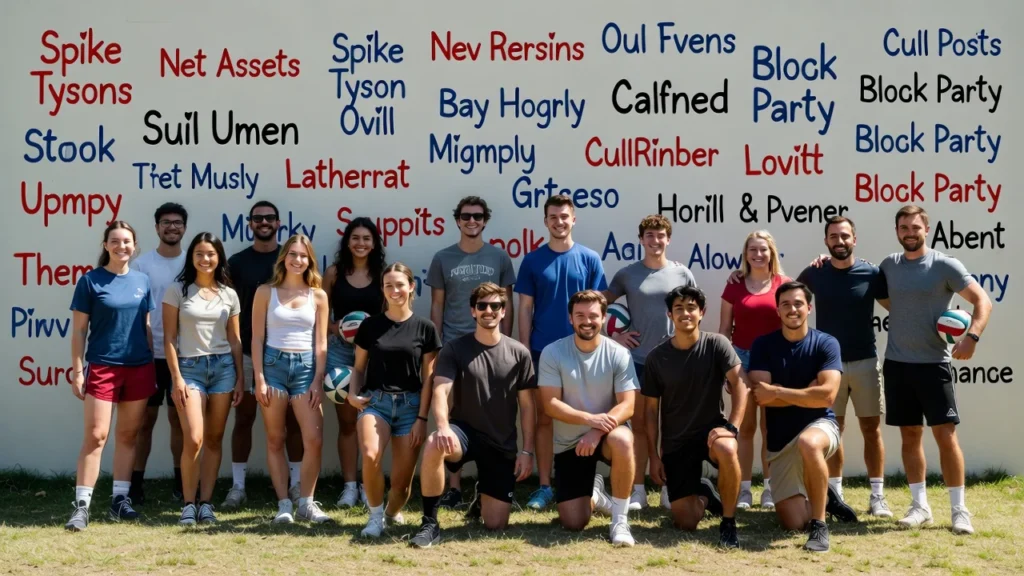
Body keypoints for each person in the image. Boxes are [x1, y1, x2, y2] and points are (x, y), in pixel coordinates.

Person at [879, 205, 991, 534]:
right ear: (897, 231)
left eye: (915, 227)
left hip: (934, 365)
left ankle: (959, 511)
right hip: (897, 364)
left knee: (945, 436)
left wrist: (972, 337)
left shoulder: (944, 264)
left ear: (926, 229)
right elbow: (887, 299)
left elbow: (982, 301)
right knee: (910, 436)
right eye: (903, 228)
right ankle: (920, 507)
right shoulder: (889, 265)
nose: (909, 233)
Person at [410, 282, 536, 548]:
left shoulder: (520, 353)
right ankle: (430, 523)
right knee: (433, 443)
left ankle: (482, 497)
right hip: (464, 433)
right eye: (482, 306)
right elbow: (440, 391)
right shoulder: (455, 349)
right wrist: (442, 426)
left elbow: (527, 407)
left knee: (495, 525)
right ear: (473, 311)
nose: (489, 311)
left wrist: (527, 451)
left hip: (501, 442)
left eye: (495, 306)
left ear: (504, 311)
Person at [748, 281, 858, 553]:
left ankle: (820, 526)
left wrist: (778, 391)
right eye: (785, 304)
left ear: (809, 308)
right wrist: (808, 392)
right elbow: (761, 396)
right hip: (781, 441)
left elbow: (827, 397)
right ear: (777, 311)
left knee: (809, 443)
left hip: (821, 425)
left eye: (798, 304)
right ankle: (826, 498)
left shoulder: (826, 343)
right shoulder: (763, 345)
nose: (792, 309)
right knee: (794, 523)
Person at [796, 216, 892, 517]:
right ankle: (835, 496)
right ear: (826, 241)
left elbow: (898, 307)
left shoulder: (872, 273)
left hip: (866, 362)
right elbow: (788, 296)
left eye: (845, 236)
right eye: (834, 236)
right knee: (832, 430)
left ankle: (877, 496)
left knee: (871, 430)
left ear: (854, 239)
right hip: (828, 367)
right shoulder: (814, 273)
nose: (840, 241)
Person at [516, 194, 607, 511]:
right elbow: (524, 308)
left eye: (564, 216)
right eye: (553, 217)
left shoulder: (590, 258)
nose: (559, 222)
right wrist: (525, 351)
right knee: (545, 419)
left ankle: (585, 483)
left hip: (583, 353)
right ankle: (544, 485)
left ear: (573, 219)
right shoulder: (532, 261)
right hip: (543, 352)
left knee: (584, 417)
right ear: (545, 221)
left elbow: (599, 309)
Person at [426, 196, 516, 509]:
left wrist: (506, 343)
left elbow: (508, 304)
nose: (472, 221)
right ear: (458, 220)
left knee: (491, 413)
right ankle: (454, 487)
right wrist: (437, 346)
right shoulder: (442, 258)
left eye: (477, 216)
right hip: (454, 345)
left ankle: (486, 484)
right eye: (466, 216)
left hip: (493, 349)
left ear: (485, 220)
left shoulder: (500, 257)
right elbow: (437, 305)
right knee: (452, 413)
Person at [66, 221, 156, 531]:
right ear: (106, 245)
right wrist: (78, 370)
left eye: (127, 241)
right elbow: (79, 331)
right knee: (96, 436)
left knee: (128, 436)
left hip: (139, 367)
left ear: (135, 245)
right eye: (115, 241)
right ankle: (81, 506)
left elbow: (146, 326)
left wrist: (151, 361)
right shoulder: (90, 281)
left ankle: (120, 500)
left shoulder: (143, 281)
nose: (121, 246)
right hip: (103, 367)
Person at [604, 214, 696, 510]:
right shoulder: (627, 274)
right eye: (649, 236)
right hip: (639, 361)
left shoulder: (682, 273)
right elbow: (599, 305)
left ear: (668, 239)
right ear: (641, 240)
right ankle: (639, 490)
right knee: (642, 425)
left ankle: (669, 487)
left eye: (660, 236)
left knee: (671, 426)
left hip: (674, 359)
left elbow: (694, 310)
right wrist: (614, 336)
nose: (655, 241)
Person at [643, 286, 746, 548]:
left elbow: (740, 385)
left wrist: (731, 427)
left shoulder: (717, 344)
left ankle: (728, 523)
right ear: (670, 314)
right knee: (686, 522)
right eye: (678, 308)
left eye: (691, 308)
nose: (685, 313)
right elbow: (651, 411)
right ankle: (705, 494)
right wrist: (654, 456)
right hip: (676, 442)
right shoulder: (656, 358)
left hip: (712, 434)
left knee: (727, 447)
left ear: (702, 313)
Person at [537, 290, 638, 547]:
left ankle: (619, 521)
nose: (587, 321)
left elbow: (627, 405)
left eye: (593, 315)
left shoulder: (619, 353)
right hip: (570, 443)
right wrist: (591, 420)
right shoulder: (552, 352)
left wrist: (596, 431)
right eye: (580, 315)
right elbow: (550, 405)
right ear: (570, 318)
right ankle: (596, 494)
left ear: (603, 318)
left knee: (623, 440)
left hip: (606, 435)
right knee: (573, 522)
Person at [348, 263, 440, 538]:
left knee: (401, 487)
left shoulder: (425, 328)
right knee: (370, 454)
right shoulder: (370, 326)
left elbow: (429, 378)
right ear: (383, 290)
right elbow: (359, 368)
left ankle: (389, 513)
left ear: (411, 287)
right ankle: (375, 517)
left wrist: (422, 418)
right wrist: (352, 393)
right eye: (389, 285)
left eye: (400, 284)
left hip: (411, 408)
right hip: (375, 403)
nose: (395, 290)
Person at [222, 201, 304, 509]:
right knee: (244, 417)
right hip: (247, 351)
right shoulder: (237, 262)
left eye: (270, 218)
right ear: (250, 223)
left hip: (287, 353)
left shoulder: (289, 259)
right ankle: (238, 486)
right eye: (258, 218)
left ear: (279, 222)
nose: (264, 222)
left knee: (293, 422)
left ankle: (295, 485)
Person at [162, 232, 244, 525]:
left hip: (223, 369)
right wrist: (177, 378)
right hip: (189, 369)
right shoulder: (177, 290)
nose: (205, 259)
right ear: (191, 257)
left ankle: (206, 503)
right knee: (194, 438)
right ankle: (188, 504)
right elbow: (169, 339)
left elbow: (235, 340)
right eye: (199, 253)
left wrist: (240, 378)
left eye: (210, 253)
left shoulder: (229, 294)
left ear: (219, 257)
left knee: (213, 439)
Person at [252, 234, 330, 524]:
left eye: (304, 255)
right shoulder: (265, 292)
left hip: (306, 369)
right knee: (276, 438)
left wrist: (318, 379)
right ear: (283, 257)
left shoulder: (318, 296)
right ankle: (284, 504)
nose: (298, 260)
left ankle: (306, 503)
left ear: (310, 260)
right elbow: (257, 338)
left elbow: (321, 343)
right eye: (293, 254)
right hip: (273, 366)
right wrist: (259, 378)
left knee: (314, 439)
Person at [720, 230, 791, 510]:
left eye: (763, 249)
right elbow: (724, 329)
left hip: (775, 361)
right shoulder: (734, 285)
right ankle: (745, 490)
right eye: (753, 250)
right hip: (741, 361)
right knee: (746, 428)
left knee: (771, 428)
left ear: (771, 252)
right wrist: (725, 368)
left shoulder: (785, 284)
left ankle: (770, 490)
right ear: (746, 254)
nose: (758, 254)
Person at [323, 217, 386, 508]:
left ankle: (368, 484)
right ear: (347, 242)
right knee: (347, 421)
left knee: (372, 420)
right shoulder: (334, 273)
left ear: (374, 244)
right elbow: (320, 315)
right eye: (356, 238)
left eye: (366, 238)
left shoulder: (382, 274)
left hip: (373, 353)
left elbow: (390, 316)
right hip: (339, 352)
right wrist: (336, 328)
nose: (361, 243)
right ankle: (349, 486)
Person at [129, 202, 187, 503]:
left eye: (177, 223)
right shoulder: (141, 265)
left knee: (179, 421)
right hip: (148, 356)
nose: (172, 227)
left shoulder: (193, 262)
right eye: (166, 222)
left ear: (184, 228)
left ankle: (181, 482)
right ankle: (135, 485)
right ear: (156, 228)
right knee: (144, 422)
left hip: (183, 356)